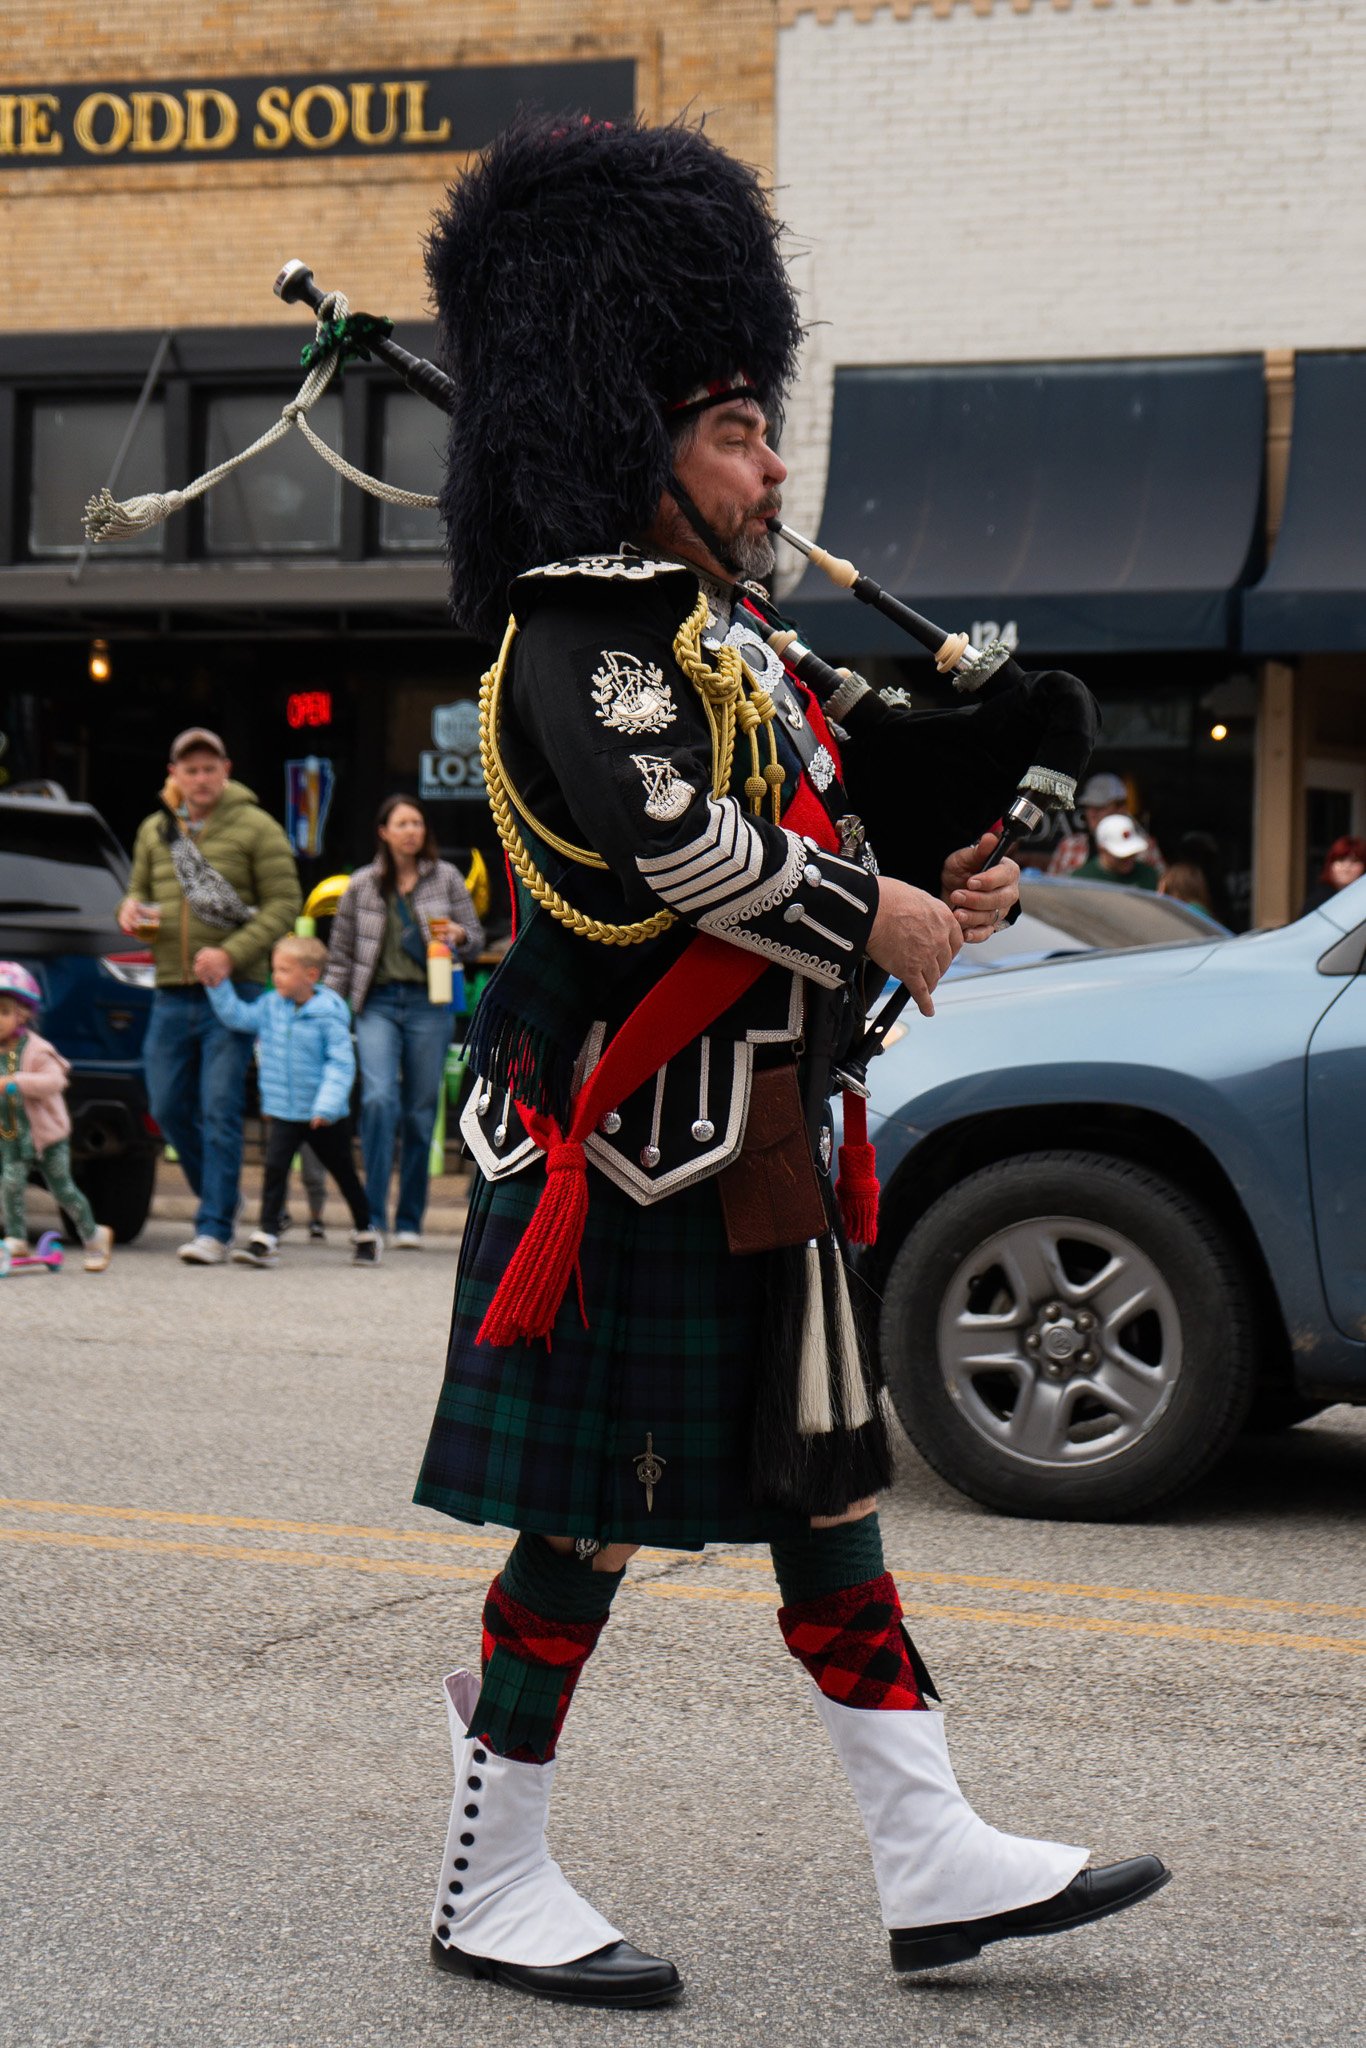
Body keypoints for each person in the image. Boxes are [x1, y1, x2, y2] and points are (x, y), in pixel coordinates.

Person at [407, 117, 1166, 2013]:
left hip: (760, 1140)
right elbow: (683, 849)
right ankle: (488, 1875)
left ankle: (929, 1850)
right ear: (635, 438)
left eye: (763, 426)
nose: (769, 467)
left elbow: (849, 789)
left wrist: (975, 821)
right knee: (585, 1524)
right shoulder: (581, 638)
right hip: (622, 1151)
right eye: (738, 430)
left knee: (823, 1488)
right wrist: (880, 915)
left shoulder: (732, 638)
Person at [117, 728, 301, 1264]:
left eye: (208, 768)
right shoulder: (155, 829)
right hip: (171, 988)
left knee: (220, 1106)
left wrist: (230, 954)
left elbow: (285, 903)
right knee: (166, 1106)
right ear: (174, 774)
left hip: (232, 990)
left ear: (226, 770)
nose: (200, 778)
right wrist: (127, 909)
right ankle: (223, 1198)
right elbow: (138, 891)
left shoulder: (257, 826)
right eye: (190, 769)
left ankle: (215, 1227)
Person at [324, 796, 483, 1250]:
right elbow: (340, 955)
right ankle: (371, 1216)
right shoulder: (361, 884)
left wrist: (458, 934)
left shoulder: (446, 877)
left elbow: (474, 938)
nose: (411, 830)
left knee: (420, 1109)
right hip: (376, 1002)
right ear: (384, 832)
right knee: (377, 1100)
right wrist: (330, 1009)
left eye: (417, 822)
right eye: (402, 823)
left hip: (428, 1002)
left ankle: (409, 1218)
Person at [203, 933, 379, 1268]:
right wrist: (217, 986)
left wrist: (326, 1106)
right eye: (275, 969)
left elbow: (341, 1064)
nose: (276, 977)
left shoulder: (329, 1015)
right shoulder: (271, 1006)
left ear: (310, 975)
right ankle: (266, 1235)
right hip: (284, 1111)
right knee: (274, 1170)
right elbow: (238, 1017)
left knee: (344, 1173)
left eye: (284, 970)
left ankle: (365, 1232)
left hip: (323, 1116)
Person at [0, 962, 113, 1271]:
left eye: (4, 1012)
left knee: (62, 1188)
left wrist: (16, 1081)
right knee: (11, 1185)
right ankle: (17, 1238)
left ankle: (94, 1235)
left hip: (47, 1137)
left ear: (23, 1015)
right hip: (11, 1136)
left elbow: (55, 1081)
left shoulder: (37, 1050)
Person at [1048, 770, 1165, 880]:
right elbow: (1051, 888)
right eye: (1088, 807)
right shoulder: (1069, 846)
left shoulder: (1145, 848)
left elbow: (1160, 887)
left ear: (1121, 808)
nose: (1092, 814)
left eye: (1100, 807)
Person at [1074, 814, 1161, 891]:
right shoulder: (1080, 881)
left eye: (1132, 852)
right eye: (1122, 855)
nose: (1129, 858)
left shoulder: (1149, 876)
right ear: (1102, 849)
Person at [1301, 834, 1366, 916]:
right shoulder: (1317, 902)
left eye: (1354, 861)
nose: (1346, 867)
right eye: (1341, 860)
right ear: (1330, 865)